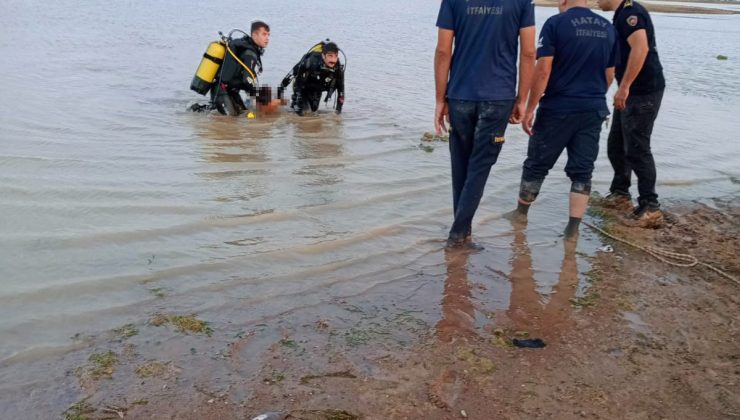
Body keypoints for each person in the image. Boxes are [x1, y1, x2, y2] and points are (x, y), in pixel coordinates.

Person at [511, 0, 617, 240]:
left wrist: (530, 107)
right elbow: (609, 74)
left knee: (537, 163)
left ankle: (520, 215)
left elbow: (544, 69)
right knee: (583, 170)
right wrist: (593, 96)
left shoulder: (556, 23)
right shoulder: (608, 28)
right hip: (593, 108)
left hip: (558, 107)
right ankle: (572, 229)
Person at [434, 0, 536, 249]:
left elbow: (443, 51)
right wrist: (522, 98)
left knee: (460, 164)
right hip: (498, 95)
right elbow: (529, 52)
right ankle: (458, 235)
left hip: (460, 94)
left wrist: (440, 98)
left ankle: (462, 232)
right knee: (479, 167)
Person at [597, 0, 666, 227]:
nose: (596, 0)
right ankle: (620, 192)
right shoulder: (620, 15)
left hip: (643, 91)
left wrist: (624, 87)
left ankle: (650, 206)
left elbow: (641, 48)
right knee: (616, 144)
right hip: (631, 92)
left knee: (637, 148)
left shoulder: (630, 14)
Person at [211, 21, 272, 116]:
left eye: (268, 35)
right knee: (229, 122)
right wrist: (259, 96)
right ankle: (196, 111)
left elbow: (244, 76)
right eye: (264, 34)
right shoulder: (250, 53)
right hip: (221, 91)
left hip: (231, 91)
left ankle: (204, 109)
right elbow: (247, 80)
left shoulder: (246, 46)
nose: (267, 38)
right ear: (254, 35)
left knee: (242, 114)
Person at [280, 41, 345, 116]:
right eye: (330, 56)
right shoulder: (311, 61)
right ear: (323, 55)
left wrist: (338, 113)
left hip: (317, 89)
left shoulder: (338, 70)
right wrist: (281, 90)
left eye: (335, 56)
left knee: (313, 111)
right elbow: (292, 73)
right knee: (302, 112)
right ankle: (287, 113)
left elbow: (341, 92)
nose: (333, 60)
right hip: (302, 86)